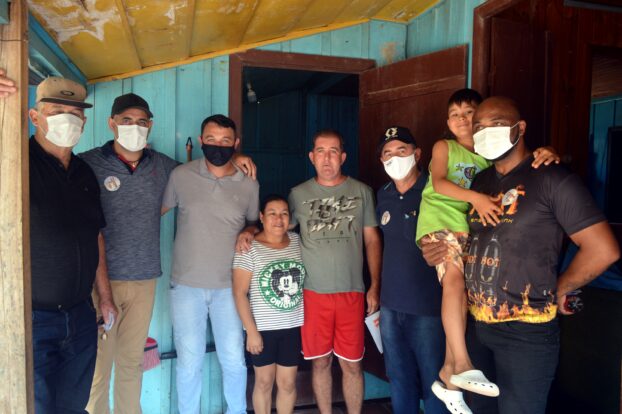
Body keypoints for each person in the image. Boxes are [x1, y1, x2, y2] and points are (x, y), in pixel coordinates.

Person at [424, 96, 620, 414]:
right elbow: (467, 236)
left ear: (521, 128)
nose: (486, 132)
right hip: (477, 326)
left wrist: (560, 288)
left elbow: (603, 249)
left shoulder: (552, 178)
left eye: (497, 124)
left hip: (526, 333)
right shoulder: (481, 181)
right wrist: (437, 250)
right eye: (479, 127)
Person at [415, 89, 559, 413]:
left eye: (469, 113)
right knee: (454, 282)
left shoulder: (489, 156)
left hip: (466, 228)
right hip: (441, 221)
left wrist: (548, 151)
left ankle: (448, 374)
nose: (462, 119)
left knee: (462, 293)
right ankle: (462, 363)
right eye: (455, 114)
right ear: (447, 123)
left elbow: (523, 161)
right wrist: (477, 198)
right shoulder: (444, 147)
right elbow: (439, 183)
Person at [79, 93, 178, 414]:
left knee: (132, 363)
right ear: (111, 123)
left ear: (150, 126)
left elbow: (202, 176)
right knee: (98, 366)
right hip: (100, 281)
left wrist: (238, 159)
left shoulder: (163, 166)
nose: (134, 127)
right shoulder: (87, 163)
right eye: (126, 120)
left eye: (140, 121)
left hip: (144, 279)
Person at [28, 76, 117, 413]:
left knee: (74, 405)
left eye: (75, 113)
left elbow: (95, 236)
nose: (67, 119)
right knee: (33, 406)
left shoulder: (84, 173)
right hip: (32, 317)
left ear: (84, 121)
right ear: (34, 116)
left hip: (80, 314)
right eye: (56, 111)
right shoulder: (13, 163)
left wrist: (105, 297)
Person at [162, 114, 259, 414]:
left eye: (225, 141)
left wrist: (249, 230)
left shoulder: (249, 183)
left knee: (233, 359)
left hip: (230, 288)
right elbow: (155, 211)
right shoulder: (181, 176)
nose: (218, 146)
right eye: (212, 139)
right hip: (186, 286)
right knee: (189, 362)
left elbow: (255, 222)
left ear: (236, 143)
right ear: (201, 140)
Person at [288, 129, 382, 414]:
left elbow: (372, 240)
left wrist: (374, 285)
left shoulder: (362, 192)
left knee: (352, 364)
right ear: (311, 157)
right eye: (320, 151)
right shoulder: (298, 194)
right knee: (320, 362)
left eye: (333, 151)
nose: (326, 158)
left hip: (351, 292)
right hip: (312, 293)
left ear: (342, 157)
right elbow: (278, 229)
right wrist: (249, 231)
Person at [375, 126, 446, 414]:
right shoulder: (383, 194)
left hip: (428, 307)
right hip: (391, 306)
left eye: (401, 151)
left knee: (435, 381)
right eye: (387, 153)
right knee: (398, 378)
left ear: (417, 154)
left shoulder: (436, 191)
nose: (394, 158)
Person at [232, 194, 306, 414]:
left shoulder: (297, 242)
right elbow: (239, 293)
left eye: (284, 213)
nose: (278, 219)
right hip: (262, 329)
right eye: (272, 213)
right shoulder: (249, 247)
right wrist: (251, 332)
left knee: (288, 384)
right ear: (262, 217)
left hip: (291, 326)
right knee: (264, 382)